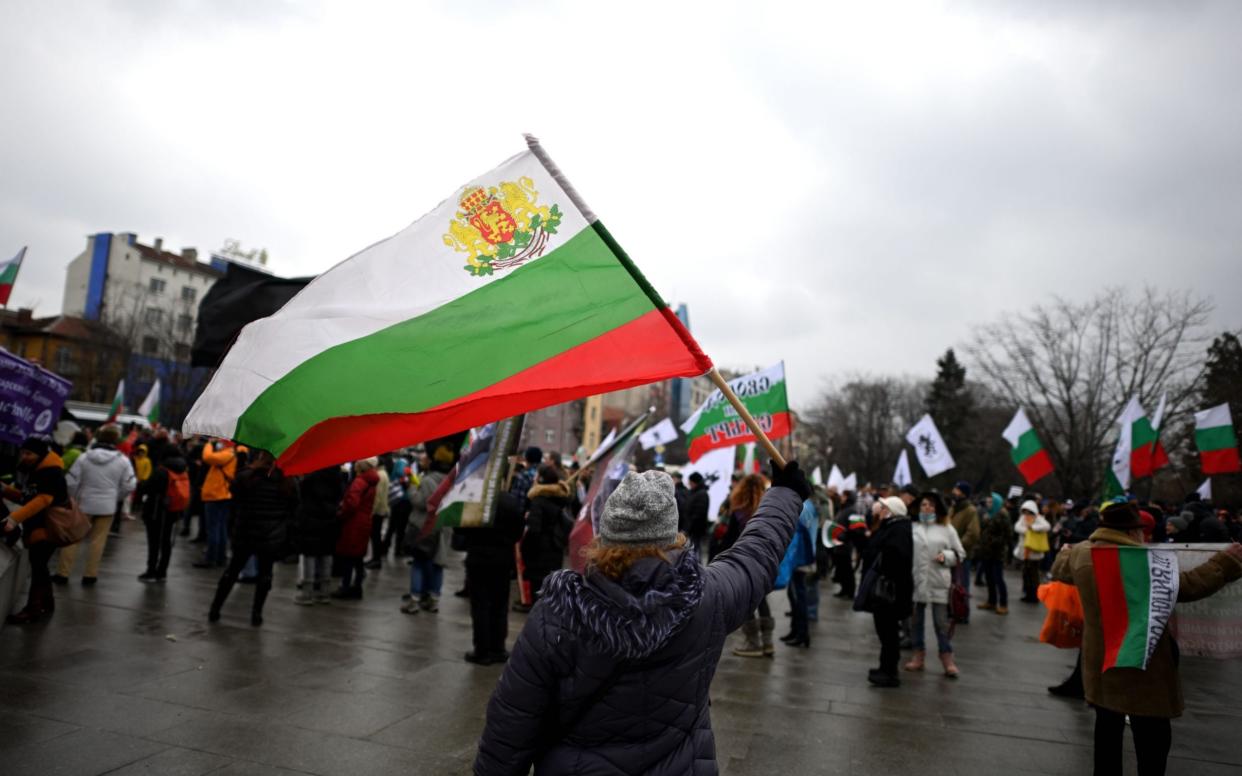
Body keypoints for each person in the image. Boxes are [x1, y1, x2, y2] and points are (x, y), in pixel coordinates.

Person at [474, 462, 809, 774]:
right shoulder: (708, 597)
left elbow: (511, 725)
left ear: (604, 535)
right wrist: (785, 492)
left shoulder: (557, 613)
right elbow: (757, 554)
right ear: (672, 535)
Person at [1052, 500, 1242, 776]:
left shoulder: (1082, 554)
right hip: (1142, 664)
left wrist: (1064, 551)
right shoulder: (1139, 562)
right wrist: (1225, 561)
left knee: (1106, 731)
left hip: (1101, 663)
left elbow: (1061, 567)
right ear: (1132, 532)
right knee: (1152, 739)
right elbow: (1187, 587)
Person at [208, 450, 298, 626]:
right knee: (265, 575)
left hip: (246, 532)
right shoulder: (288, 481)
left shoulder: (246, 476)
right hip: (271, 537)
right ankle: (256, 614)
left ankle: (215, 609)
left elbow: (235, 498)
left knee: (232, 571)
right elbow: (294, 507)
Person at [54, 426, 137, 586]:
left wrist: (74, 499)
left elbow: (71, 481)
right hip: (107, 506)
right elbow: (130, 485)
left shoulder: (84, 457)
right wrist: (116, 497)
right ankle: (90, 576)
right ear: (115, 440)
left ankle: (62, 574)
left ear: (98, 438)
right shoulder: (123, 460)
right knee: (98, 541)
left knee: (72, 539)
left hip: (83, 504)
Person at [2, 438, 70, 624]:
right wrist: (5, 490)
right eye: (23, 452)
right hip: (41, 526)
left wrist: (14, 519)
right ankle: (47, 603)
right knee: (40, 566)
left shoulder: (49, 472)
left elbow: (43, 500)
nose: (24, 456)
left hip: (47, 527)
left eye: (29, 454)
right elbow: (28, 497)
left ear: (40, 455)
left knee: (39, 566)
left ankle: (33, 609)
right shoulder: (37, 469)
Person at [905, 492, 966, 678]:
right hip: (916, 581)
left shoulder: (947, 528)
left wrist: (945, 557)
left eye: (931, 505)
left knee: (941, 623)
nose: (927, 508)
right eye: (924, 505)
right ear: (918, 507)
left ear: (937, 508)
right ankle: (918, 656)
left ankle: (947, 659)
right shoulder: (911, 527)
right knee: (916, 622)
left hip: (938, 582)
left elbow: (960, 553)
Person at [462, 491, 526, 665]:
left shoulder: (476, 499)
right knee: (499, 604)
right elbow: (519, 531)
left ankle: (482, 651)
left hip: (478, 557)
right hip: (502, 559)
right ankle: (498, 648)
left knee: (480, 605)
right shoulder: (511, 501)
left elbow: (462, 528)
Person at [863, 495, 914, 687]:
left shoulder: (898, 529)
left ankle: (890, 672)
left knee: (889, 633)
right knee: (885, 632)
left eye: (884, 508)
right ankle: (884, 667)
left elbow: (896, 557)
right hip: (887, 591)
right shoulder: (892, 526)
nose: (881, 510)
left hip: (890, 592)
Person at [728, 472, 777, 657]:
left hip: (743, 563)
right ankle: (768, 643)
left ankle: (753, 643)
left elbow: (730, 540)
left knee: (747, 602)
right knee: (762, 600)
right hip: (765, 564)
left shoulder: (739, 511)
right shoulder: (767, 512)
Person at [405, 445, 452, 612]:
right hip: (443, 527)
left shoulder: (428, 481)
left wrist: (411, 487)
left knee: (418, 563)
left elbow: (419, 502)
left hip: (424, 527)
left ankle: (415, 600)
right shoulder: (452, 481)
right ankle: (433, 600)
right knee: (437, 564)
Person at [291, 466, 346, 605]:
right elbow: (340, 495)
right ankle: (324, 592)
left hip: (311, 519)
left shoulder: (312, 476)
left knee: (310, 555)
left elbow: (301, 494)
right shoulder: (338, 475)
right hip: (329, 519)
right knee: (326, 554)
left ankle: (307, 593)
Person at [520, 464, 571, 605]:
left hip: (539, 554)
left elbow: (534, 531)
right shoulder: (562, 499)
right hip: (556, 549)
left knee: (538, 594)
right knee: (550, 594)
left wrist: (525, 550)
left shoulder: (539, 501)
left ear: (541, 479)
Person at [138, 448, 189, 582]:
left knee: (154, 542)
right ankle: (162, 572)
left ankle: (151, 572)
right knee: (166, 542)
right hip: (172, 512)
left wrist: (142, 485)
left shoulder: (161, 470)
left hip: (155, 512)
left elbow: (147, 488)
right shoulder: (183, 470)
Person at [334, 458, 378, 599]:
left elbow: (352, 504)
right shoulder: (371, 481)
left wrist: (341, 513)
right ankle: (357, 587)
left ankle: (345, 587)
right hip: (364, 521)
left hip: (354, 523)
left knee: (348, 556)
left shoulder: (359, 481)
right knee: (358, 557)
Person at [195, 440, 240, 569]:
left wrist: (209, 444)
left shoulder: (228, 453)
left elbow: (207, 457)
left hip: (216, 495)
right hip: (221, 495)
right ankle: (220, 557)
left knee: (213, 529)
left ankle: (211, 558)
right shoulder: (229, 453)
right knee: (220, 528)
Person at [976, 492, 1014, 615]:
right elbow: (983, 530)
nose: (988, 504)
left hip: (998, 552)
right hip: (987, 551)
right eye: (987, 502)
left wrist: (994, 541)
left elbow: (1008, 535)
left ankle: (1003, 604)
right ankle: (991, 601)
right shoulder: (988, 514)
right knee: (989, 578)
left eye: (991, 502)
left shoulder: (1003, 515)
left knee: (998, 579)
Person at [948, 481, 979, 624]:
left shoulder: (970, 510)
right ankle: (953, 610)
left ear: (963, 493)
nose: (954, 491)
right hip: (950, 553)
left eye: (957, 489)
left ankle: (963, 613)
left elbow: (973, 533)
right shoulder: (953, 508)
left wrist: (958, 546)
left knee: (962, 585)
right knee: (951, 584)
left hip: (962, 555)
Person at [1014, 500, 1051, 603]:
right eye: (1024, 511)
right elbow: (1017, 527)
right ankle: (1027, 593)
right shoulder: (1022, 518)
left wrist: (1033, 528)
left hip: (1035, 552)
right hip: (1025, 551)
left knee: (1033, 575)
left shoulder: (1038, 518)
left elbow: (1047, 526)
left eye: (1028, 511)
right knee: (1026, 573)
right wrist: (1027, 530)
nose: (1026, 513)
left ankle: (1034, 595)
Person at [365, 459, 392, 569]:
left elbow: (378, 496)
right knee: (376, 535)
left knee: (375, 536)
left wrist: (372, 511)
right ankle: (375, 558)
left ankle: (376, 559)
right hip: (381, 509)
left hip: (377, 511)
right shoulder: (384, 473)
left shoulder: (379, 475)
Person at [685, 471, 710, 558]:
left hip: (696, 530)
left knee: (695, 551)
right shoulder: (695, 492)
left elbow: (699, 514)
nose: (689, 484)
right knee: (693, 551)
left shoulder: (701, 494)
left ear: (695, 482)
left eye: (690, 482)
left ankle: (696, 569)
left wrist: (689, 527)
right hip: (693, 529)